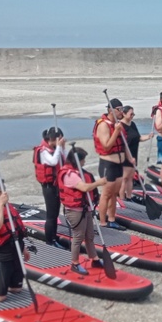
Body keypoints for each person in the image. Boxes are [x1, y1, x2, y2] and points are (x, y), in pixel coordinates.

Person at [57, 147, 107, 275]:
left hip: (86, 208)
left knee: (90, 235)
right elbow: (84, 188)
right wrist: (99, 183)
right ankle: (74, 263)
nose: (84, 162)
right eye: (83, 160)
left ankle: (94, 259)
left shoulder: (77, 171)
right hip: (75, 211)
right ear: (77, 161)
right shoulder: (70, 175)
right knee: (78, 237)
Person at [93, 98, 130, 230]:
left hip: (119, 164)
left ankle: (112, 219)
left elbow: (123, 145)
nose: (121, 112)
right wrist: (116, 131)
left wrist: (130, 158)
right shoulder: (103, 125)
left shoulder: (117, 124)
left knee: (114, 193)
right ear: (111, 110)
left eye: (122, 109)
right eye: (119, 109)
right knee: (106, 193)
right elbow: (107, 145)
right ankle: (103, 222)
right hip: (108, 164)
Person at [33, 126, 67, 249]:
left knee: (56, 213)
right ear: (53, 139)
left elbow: (65, 158)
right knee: (51, 215)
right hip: (49, 187)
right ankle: (50, 240)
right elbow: (52, 162)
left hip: (56, 185)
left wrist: (62, 148)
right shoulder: (43, 151)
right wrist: (58, 147)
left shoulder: (54, 148)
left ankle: (54, 236)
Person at [119, 105, 153, 199]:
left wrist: (148, 137)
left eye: (133, 114)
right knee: (124, 178)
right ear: (124, 114)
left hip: (134, 155)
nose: (132, 116)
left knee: (130, 178)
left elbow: (138, 138)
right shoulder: (120, 126)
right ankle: (122, 198)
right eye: (131, 114)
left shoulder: (132, 124)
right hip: (125, 156)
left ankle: (129, 196)